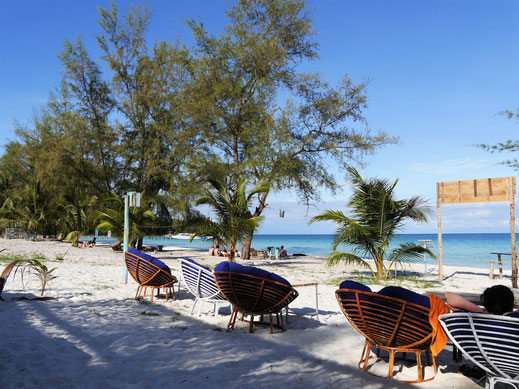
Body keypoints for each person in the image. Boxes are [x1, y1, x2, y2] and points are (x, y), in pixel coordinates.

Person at [446, 285, 516, 315]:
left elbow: (449, 296)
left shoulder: (472, 319)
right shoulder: (515, 319)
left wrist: (480, 311)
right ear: (512, 305)